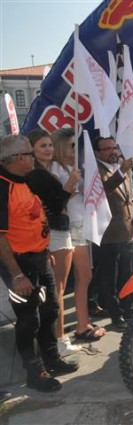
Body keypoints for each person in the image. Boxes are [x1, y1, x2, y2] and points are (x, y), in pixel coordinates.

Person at [0, 134, 79, 392]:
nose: (37, 158)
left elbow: (37, 218)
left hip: (40, 257)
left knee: (51, 309)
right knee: (28, 319)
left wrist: (44, 251)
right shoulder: (3, 187)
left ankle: (51, 359)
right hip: (18, 265)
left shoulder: (28, 180)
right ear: (19, 158)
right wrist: (16, 275)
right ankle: (35, 372)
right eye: (31, 154)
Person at [25, 129, 83, 356]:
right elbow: (57, 203)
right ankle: (59, 341)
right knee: (57, 291)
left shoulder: (45, 171)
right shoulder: (38, 175)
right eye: (42, 146)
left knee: (55, 290)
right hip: (55, 233)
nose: (48, 149)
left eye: (50, 145)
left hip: (57, 231)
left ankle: (57, 339)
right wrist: (69, 184)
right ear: (31, 149)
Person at [49, 128, 106, 343]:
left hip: (80, 224)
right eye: (71, 145)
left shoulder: (72, 167)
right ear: (62, 146)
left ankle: (83, 325)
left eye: (76, 145)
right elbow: (56, 199)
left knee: (85, 276)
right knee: (60, 286)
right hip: (64, 227)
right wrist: (74, 184)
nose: (75, 149)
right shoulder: (53, 168)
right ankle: (58, 337)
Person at [92, 135, 133, 330]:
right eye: (107, 149)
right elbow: (103, 189)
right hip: (108, 233)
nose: (113, 152)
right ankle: (115, 313)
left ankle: (127, 307)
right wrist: (122, 171)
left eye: (114, 147)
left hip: (127, 231)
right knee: (109, 277)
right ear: (97, 152)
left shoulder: (122, 166)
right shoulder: (94, 170)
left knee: (126, 274)